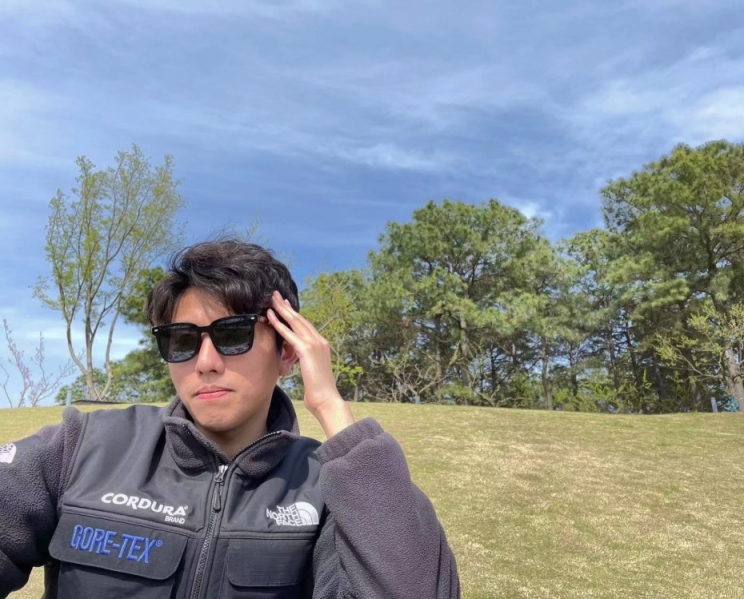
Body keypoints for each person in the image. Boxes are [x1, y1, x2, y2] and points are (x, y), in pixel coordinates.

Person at [0, 239, 460, 599]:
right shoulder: (82, 448)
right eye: (182, 340)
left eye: (233, 334)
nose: (205, 362)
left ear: (287, 352)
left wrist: (332, 408)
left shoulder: (328, 492)